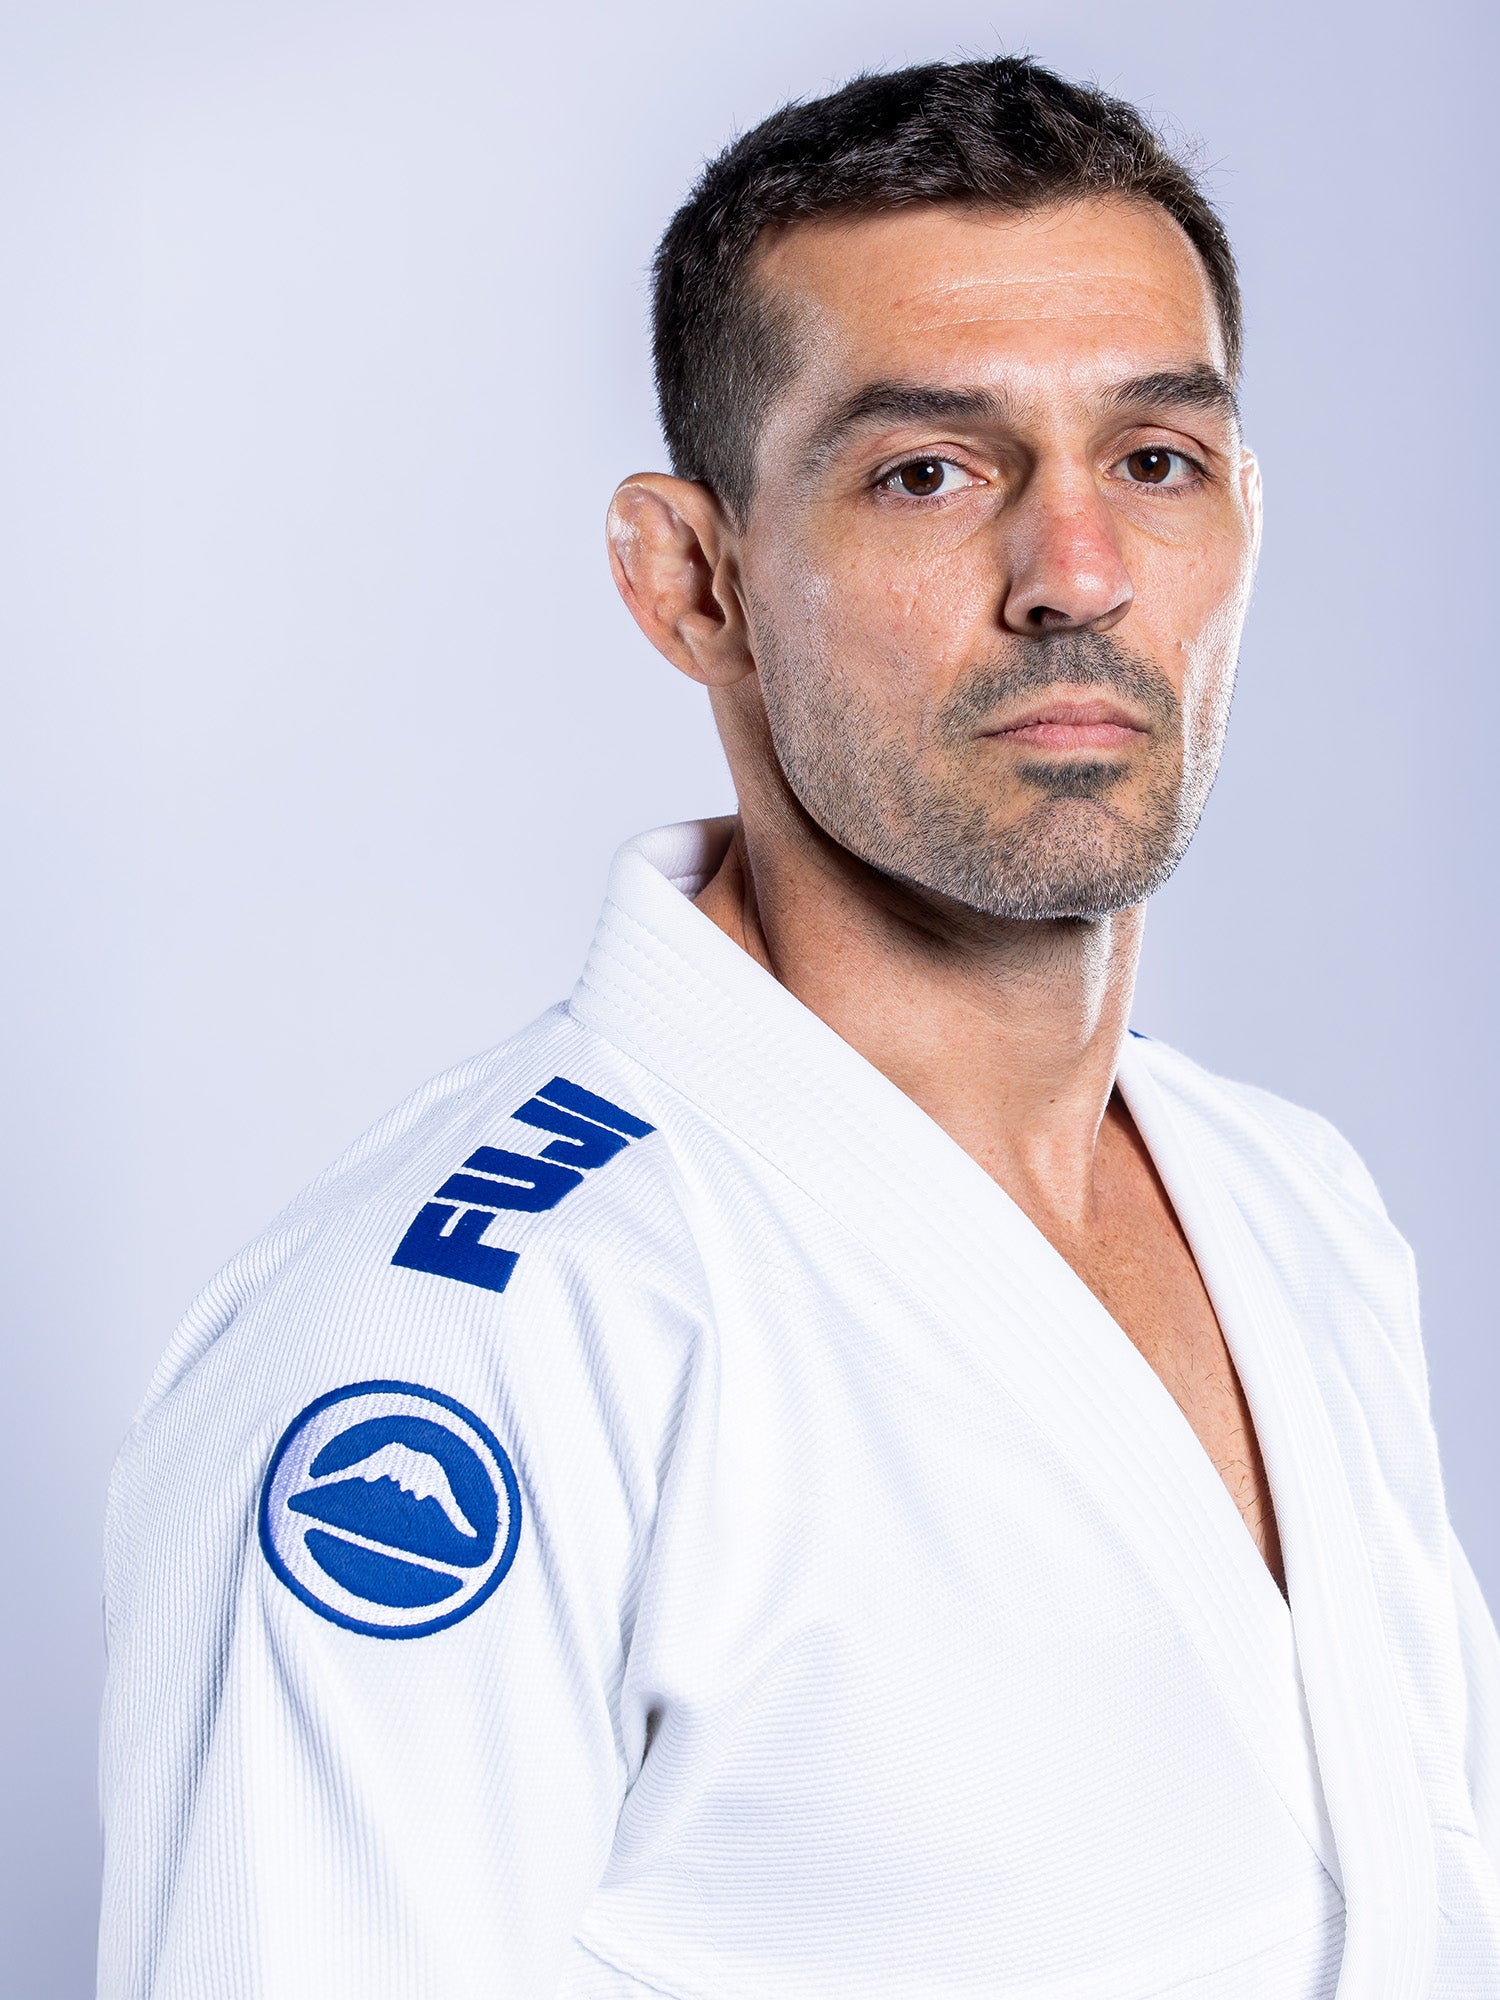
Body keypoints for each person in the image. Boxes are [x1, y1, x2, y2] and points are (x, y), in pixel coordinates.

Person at [98, 55, 1500, 2000]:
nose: (1077, 575)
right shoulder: (467, 1342)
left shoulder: (1301, 1209)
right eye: (930, 469)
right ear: (694, 581)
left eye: (1156, 462)